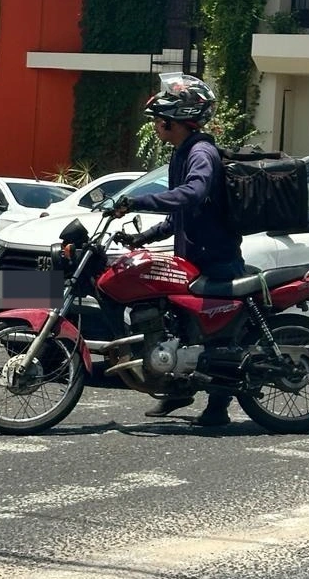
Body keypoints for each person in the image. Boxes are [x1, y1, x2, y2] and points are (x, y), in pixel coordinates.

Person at [109, 74, 245, 427]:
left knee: (217, 334)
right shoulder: (182, 152)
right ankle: (177, 391)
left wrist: (137, 200)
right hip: (193, 256)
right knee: (182, 329)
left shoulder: (201, 152)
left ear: (176, 118)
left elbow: (193, 193)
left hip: (216, 258)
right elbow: (180, 215)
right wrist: (143, 237)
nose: (156, 125)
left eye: (159, 119)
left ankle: (218, 408)